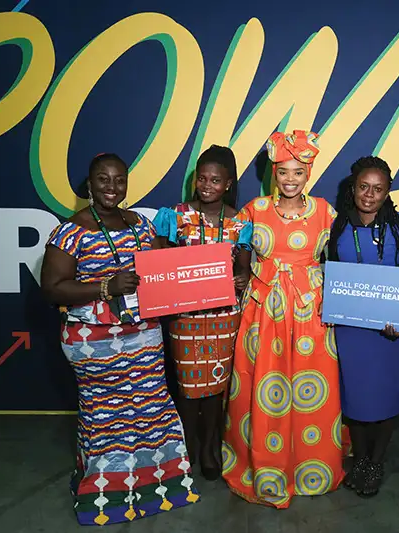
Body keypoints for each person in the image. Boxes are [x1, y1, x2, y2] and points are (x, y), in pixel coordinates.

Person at [40, 153, 199, 526]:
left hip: (143, 335)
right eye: (103, 180)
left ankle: (160, 488)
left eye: (119, 180)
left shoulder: (141, 225)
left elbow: (162, 274)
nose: (112, 187)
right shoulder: (71, 230)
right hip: (93, 342)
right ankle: (103, 498)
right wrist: (105, 286)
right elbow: (52, 289)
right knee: (106, 416)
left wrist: (198, 271)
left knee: (150, 409)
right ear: (89, 185)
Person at [222, 130, 343, 508]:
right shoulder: (253, 211)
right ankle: (262, 465)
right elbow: (227, 255)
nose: (291, 180)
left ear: (309, 174)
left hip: (310, 312)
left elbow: (339, 261)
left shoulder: (325, 211)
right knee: (263, 387)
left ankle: (312, 467)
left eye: (299, 172)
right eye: (283, 172)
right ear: (273, 173)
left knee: (311, 389)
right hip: (263, 310)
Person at [152, 145, 252, 481]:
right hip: (185, 319)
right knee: (187, 387)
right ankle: (187, 445)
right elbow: (158, 265)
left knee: (216, 389)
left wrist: (242, 277)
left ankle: (210, 445)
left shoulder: (240, 222)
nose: (207, 185)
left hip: (224, 316)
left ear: (228, 184)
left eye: (215, 180)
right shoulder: (174, 216)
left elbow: (244, 269)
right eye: (202, 178)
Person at [327, 156, 399, 498]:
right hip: (351, 331)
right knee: (355, 398)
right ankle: (361, 458)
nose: (369, 195)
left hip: (390, 333)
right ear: (353, 188)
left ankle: (375, 462)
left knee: (385, 396)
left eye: (378, 189)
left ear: (388, 192)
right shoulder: (337, 228)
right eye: (364, 187)